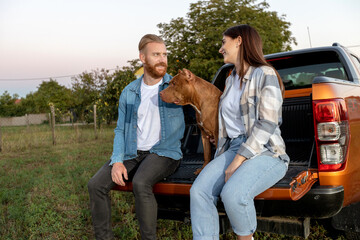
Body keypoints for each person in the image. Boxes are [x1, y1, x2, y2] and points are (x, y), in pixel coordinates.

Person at [190, 25, 290, 240]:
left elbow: (267, 123)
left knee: (233, 195)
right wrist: (218, 136)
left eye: (223, 42)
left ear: (239, 41)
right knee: (199, 192)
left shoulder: (265, 74)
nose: (220, 49)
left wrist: (237, 161)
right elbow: (230, 121)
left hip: (266, 151)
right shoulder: (229, 78)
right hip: (234, 146)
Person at [88, 34, 185, 240]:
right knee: (95, 185)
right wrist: (117, 161)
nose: (162, 59)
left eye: (165, 54)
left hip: (164, 152)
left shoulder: (178, 86)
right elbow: (121, 130)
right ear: (143, 58)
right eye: (156, 54)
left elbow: (205, 106)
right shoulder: (129, 92)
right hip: (133, 151)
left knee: (141, 183)